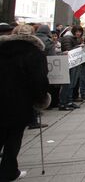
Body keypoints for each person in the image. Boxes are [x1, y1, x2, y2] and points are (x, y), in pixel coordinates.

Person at [0, 24, 50, 181]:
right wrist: (41, 98)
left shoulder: (2, 49)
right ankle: (8, 172)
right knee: (13, 138)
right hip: (20, 101)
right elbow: (39, 79)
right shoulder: (35, 53)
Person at [59, 25, 84, 110]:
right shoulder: (67, 38)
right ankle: (63, 103)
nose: (78, 33)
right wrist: (78, 47)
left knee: (72, 84)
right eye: (77, 31)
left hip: (74, 64)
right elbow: (68, 51)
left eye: (80, 32)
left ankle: (69, 101)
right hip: (69, 65)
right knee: (67, 84)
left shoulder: (74, 38)